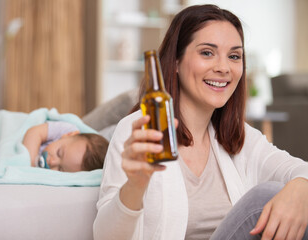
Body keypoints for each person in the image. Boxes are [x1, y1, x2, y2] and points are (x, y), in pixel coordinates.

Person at [93, 4, 308, 240]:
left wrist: (301, 187)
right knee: (264, 198)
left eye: (234, 56)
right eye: (207, 52)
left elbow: (300, 169)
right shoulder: (139, 131)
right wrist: (134, 185)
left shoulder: (240, 138)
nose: (223, 68)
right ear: (175, 61)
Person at [23, 121, 109, 172]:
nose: (52, 162)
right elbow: (34, 132)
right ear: (69, 135)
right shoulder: (66, 129)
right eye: (59, 153)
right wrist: (31, 166)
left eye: (60, 169)